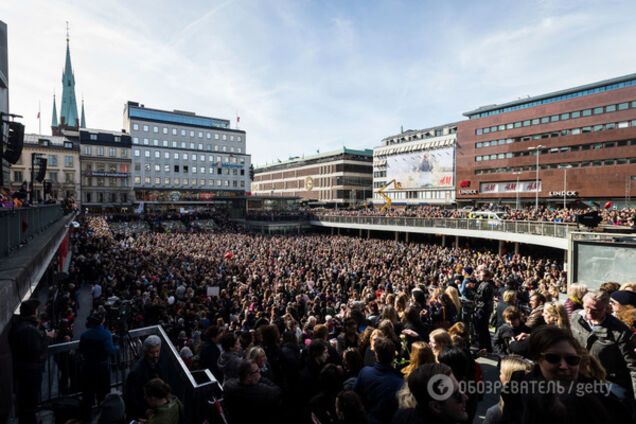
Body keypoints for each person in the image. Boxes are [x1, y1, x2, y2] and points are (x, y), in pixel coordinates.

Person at [570, 291, 636, 401]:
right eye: (587, 307)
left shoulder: (620, 332)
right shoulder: (576, 318)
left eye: (596, 310)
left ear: (606, 308)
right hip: (579, 375)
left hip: (608, 381)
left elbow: (632, 366)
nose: (590, 313)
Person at [9, 299, 54, 424]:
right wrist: (46, 338)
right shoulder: (29, 330)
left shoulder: (19, 326)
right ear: (34, 312)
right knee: (29, 403)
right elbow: (37, 353)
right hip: (30, 373)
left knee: (26, 403)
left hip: (23, 370)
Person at [392, 363, 469, 424]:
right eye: (457, 395)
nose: (466, 397)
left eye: (461, 389)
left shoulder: (402, 416)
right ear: (436, 406)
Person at [354, 337, 404, 424]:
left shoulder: (364, 372)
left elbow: (355, 394)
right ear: (393, 355)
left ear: (376, 354)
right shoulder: (400, 383)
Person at [78, 312, 118, 419]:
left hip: (88, 368)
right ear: (102, 321)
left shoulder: (84, 335)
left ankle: (86, 417)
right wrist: (118, 346)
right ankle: (103, 415)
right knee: (103, 394)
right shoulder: (106, 334)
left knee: (88, 394)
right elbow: (111, 351)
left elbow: (80, 350)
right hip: (101, 369)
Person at [223, 359, 282, 423]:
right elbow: (277, 391)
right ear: (248, 376)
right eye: (257, 371)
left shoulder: (228, 386)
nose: (259, 372)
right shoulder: (261, 391)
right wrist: (261, 379)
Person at [483, 356, 532, 424]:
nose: (499, 376)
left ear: (508, 378)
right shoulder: (537, 407)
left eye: (501, 373)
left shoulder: (495, 413)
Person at [125, 335, 163, 420]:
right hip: (141, 414)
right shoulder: (136, 372)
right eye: (152, 353)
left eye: (157, 351)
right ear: (145, 352)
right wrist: (145, 410)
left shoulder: (157, 364)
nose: (155, 355)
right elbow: (131, 398)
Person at [474, 267, 496, 352]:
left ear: (487, 276)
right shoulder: (483, 283)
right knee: (483, 329)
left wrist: (473, 293)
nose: (479, 275)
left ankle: (483, 347)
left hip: (483, 309)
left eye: (481, 274)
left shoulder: (487, 285)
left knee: (482, 329)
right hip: (483, 308)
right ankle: (486, 347)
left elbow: (482, 297)